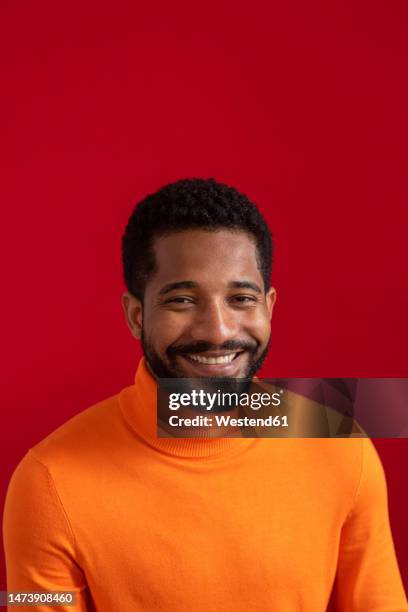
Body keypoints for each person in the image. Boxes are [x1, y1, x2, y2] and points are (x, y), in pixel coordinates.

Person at [3, 178, 407, 611]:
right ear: (137, 316)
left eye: (241, 298)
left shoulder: (341, 443)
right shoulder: (48, 479)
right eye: (181, 300)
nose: (218, 330)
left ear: (268, 307)